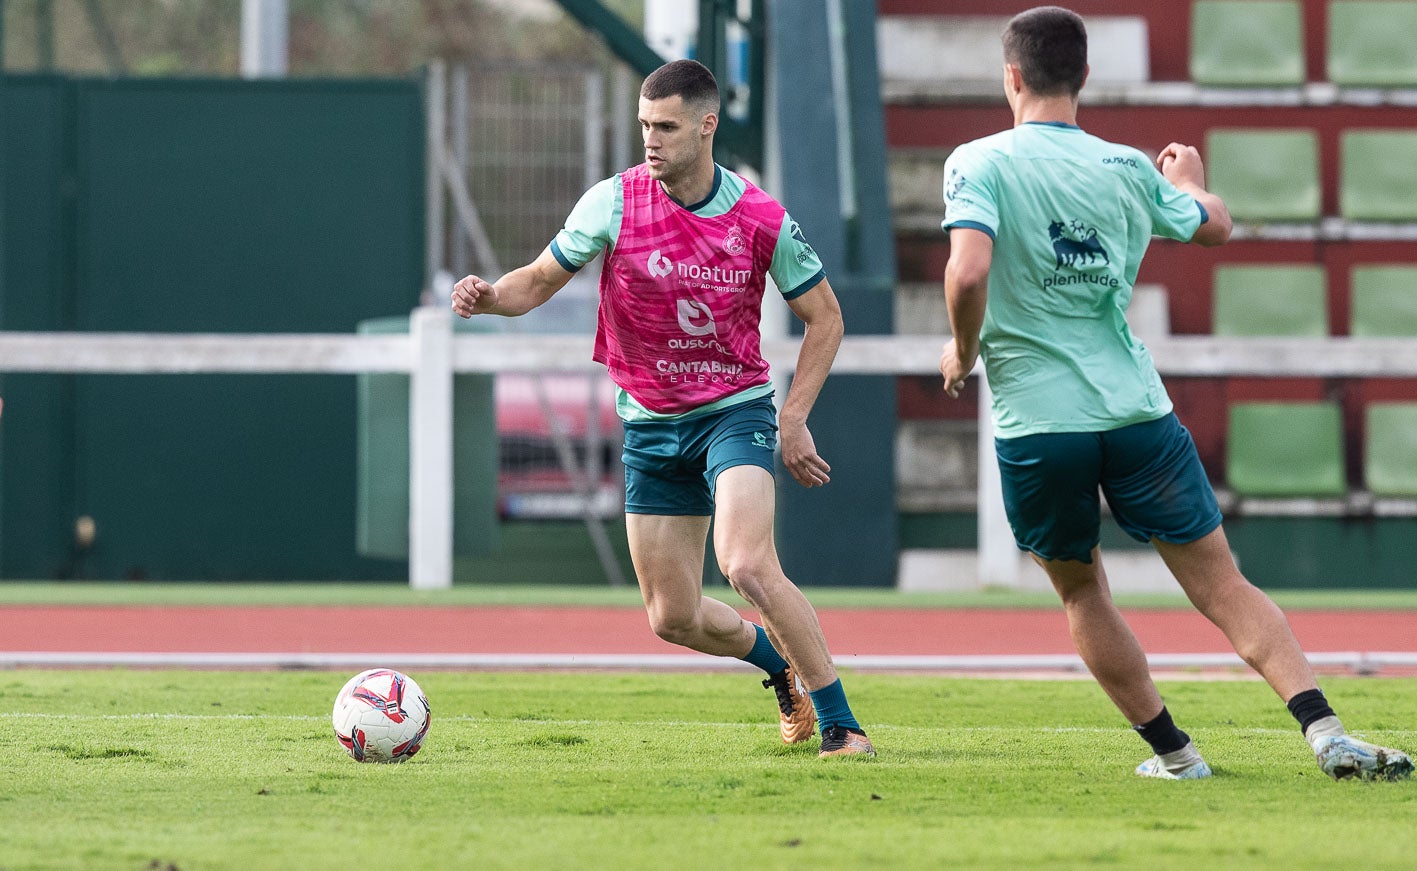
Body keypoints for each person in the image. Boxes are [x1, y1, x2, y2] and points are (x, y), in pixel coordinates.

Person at [938, 6, 1412, 781]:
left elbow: (966, 271)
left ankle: (1177, 755)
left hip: (1039, 424)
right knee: (1222, 581)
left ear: (1011, 77)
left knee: (1082, 592)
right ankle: (1325, 730)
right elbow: (1215, 225)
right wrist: (1189, 182)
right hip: (1136, 412)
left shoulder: (977, 162)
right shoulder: (1127, 167)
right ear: (1083, 76)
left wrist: (960, 352)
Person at [452, 59, 873, 758]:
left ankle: (842, 723)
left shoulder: (759, 216)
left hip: (732, 414)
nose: (651, 139)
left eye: (666, 126)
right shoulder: (612, 203)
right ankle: (779, 669)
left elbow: (824, 318)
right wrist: (488, 296)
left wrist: (792, 416)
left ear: (707, 126)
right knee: (671, 618)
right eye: (645, 124)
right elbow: (534, 281)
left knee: (744, 564)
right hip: (649, 424)